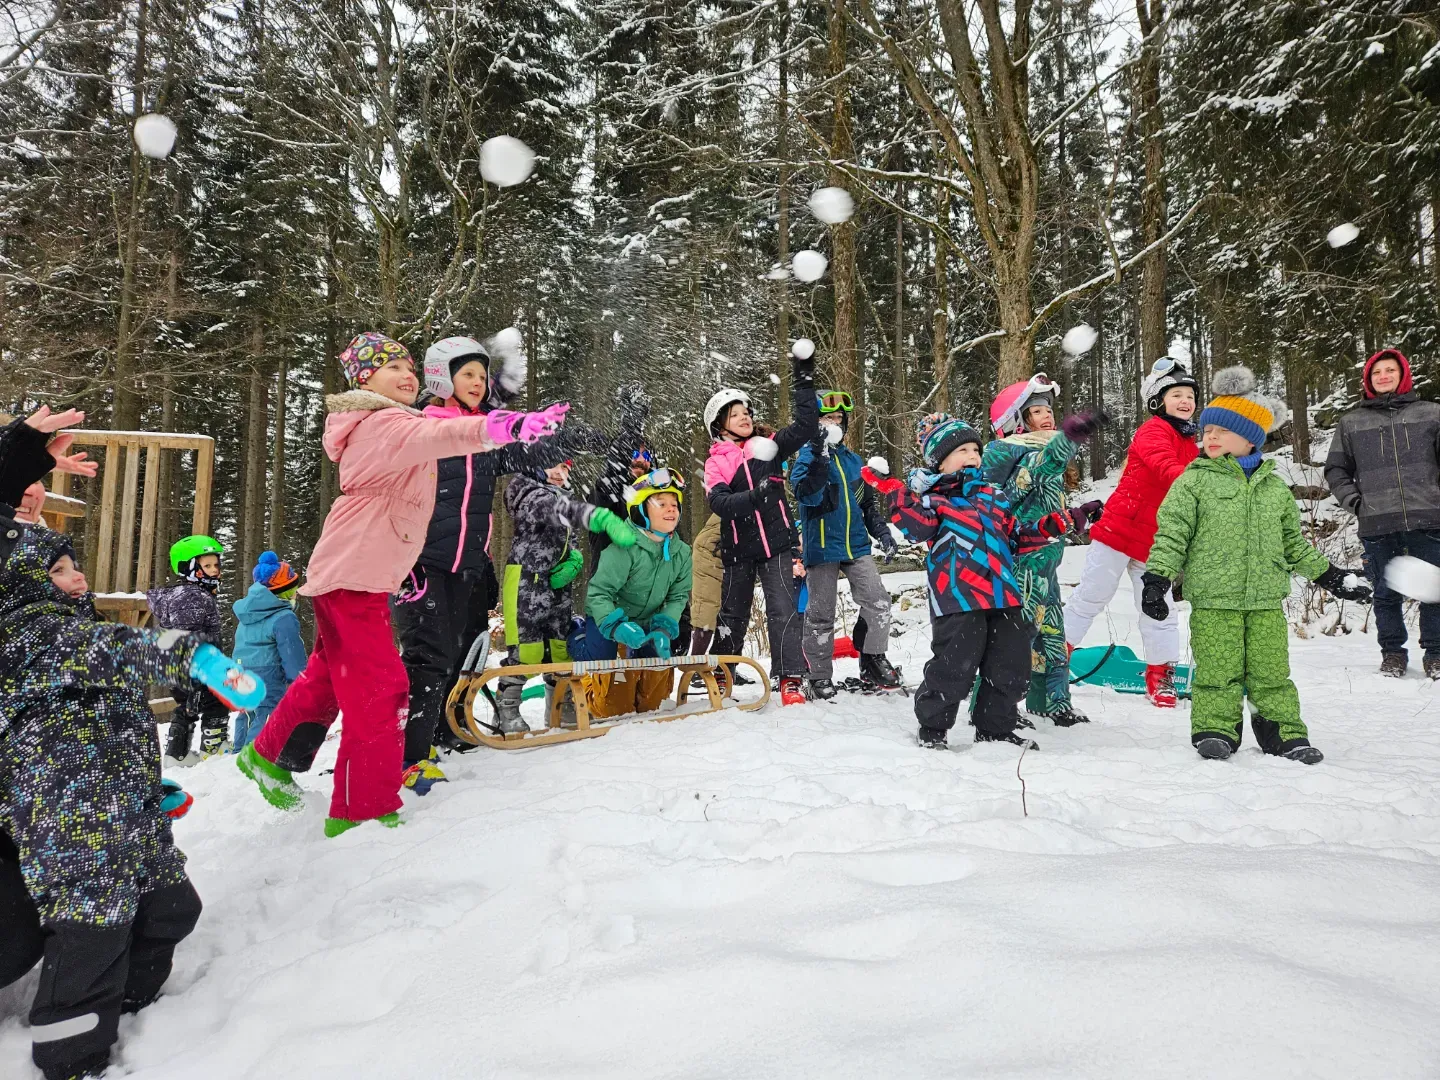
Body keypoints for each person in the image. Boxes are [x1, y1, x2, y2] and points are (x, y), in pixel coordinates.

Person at [235, 331, 567, 837]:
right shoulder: (384, 422)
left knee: (328, 677)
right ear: (365, 380)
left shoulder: (387, 422)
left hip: (360, 573)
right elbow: (446, 437)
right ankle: (362, 808)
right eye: (393, 369)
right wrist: (511, 423)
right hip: (354, 574)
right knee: (384, 689)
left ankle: (269, 756)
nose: (406, 375)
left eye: (409, 367)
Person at [0, 525, 261, 1080]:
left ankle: (127, 1006)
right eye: (61, 571)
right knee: (92, 930)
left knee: (173, 909)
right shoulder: (27, 632)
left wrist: (144, 786)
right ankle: (71, 1057)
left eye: (76, 566)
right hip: (73, 822)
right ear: (23, 584)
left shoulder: (73, 632)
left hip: (126, 809)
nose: (79, 577)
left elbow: (112, 719)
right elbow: (120, 650)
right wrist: (199, 660)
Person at [396, 335, 616, 764]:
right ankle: (410, 751)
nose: (478, 382)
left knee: (465, 649)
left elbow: (520, 451)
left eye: (482, 374)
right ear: (443, 377)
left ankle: (449, 728)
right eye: (468, 374)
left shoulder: (482, 435)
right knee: (428, 653)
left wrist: (574, 439)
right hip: (421, 562)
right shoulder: (422, 424)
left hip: (471, 563)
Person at [1143, 366, 1372, 763]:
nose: (1209, 437)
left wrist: (1334, 577)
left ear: (1249, 438)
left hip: (1266, 600)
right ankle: (1215, 728)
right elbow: (1171, 534)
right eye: (1207, 430)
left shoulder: (1274, 491)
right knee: (1218, 671)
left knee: (1271, 673)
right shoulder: (1193, 482)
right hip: (1215, 600)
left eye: (1220, 431)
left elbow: (1293, 547)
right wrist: (1156, 578)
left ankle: (1283, 732)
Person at [871, 414, 1081, 750]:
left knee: (1010, 666)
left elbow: (1016, 537)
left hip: (1003, 594)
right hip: (959, 597)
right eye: (962, 450)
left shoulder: (993, 497)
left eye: (975, 449)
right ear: (939, 461)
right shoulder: (934, 500)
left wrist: (1057, 523)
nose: (972, 455)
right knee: (954, 667)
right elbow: (915, 527)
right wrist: (897, 492)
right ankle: (933, 728)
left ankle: (994, 730)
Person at [1063, 356, 1200, 707]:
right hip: (1119, 530)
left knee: (1159, 607)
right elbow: (1162, 464)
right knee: (1093, 595)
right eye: (1177, 395)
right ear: (1158, 401)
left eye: (1190, 396)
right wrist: (1197, 483)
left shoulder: (1191, 441)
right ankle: (1054, 654)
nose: (1186, 401)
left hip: (1155, 540)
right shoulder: (1153, 430)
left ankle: (1160, 675)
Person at [982, 374, 1105, 726]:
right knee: (1013, 639)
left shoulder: (1048, 451)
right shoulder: (1006, 451)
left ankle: (1051, 701)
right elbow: (1018, 486)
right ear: (1015, 421)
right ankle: (994, 706)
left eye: (1048, 409)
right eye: (1036, 411)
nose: (1047, 416)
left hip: (1046, 563)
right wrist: (1071, 436)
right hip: (1017, 561)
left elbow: (1047, 499)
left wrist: (1077, 515)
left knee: (1052, 634)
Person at [704, 344, 820, 705]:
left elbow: (805, 425)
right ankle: (723, 676)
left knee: (783, 610)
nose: (744, 417)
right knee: (732, 614)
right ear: (719, 424)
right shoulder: (716, 463)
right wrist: (758, 496)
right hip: (738, 550)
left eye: (746, 411)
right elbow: (721, 503)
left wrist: (804, 376)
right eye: (735, 413)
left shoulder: (767, 447)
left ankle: (790, 679)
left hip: (778, 545)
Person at [489, 458, 636, 737]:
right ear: (534, 467)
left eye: (565, 468)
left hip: (557, 586)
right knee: (526, 648)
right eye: (552, 467)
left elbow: (568, 536)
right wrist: (596, 516)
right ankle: (507, 709)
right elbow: (553, 510)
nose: (559, 473)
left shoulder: (563, 499)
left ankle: (560, 705)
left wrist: (575, 558)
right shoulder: (527, 494)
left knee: (559, 645)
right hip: (526, 582)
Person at [1324, 348, 1440, 679]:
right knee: (1386, 593)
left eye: (1390, 370)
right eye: (1377, 373)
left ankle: (1436, 654)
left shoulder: (1431, 414)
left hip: (1430, 518)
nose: (1383, 376)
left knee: (1434, 590)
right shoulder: (1351, 422)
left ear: (1403, 375)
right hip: (1377, 522)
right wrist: (1356, 503)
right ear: (1368, 380)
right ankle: (1392, 653)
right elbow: (1336, 469)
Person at [789, 389, 902, 698]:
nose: (835, 423)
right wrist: (819, 459)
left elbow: (867, 505)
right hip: (822, 548)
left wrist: (883, 533)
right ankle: (819, 675)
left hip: (856, 546)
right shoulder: (805, 458)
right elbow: (805, 495)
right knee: (821, 614)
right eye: (828, 418)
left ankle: (872, 660)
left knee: (878, 601)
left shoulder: (854, 461)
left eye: (839, 418)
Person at [570, 469, 692, 717]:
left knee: (651, 704)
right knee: (611, 708)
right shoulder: (623, 548)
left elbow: (678, 596)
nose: (671, 509)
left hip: (648, 619)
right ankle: (576, 636)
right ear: (641, 511)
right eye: (661, 503)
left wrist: (664, 626)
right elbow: (599, 593)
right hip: (608, 616)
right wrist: (616, 626)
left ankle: (640, 662)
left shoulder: (682, 552)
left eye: (674, 504)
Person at [148, 533, 229, 762]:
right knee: (215, 700)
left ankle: (177, 754)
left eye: (216, 564)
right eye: (207, 565)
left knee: (188, 707)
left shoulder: (194, 594)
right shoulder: (192, 597)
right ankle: (214, 748)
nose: (214, 569)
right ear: (190, 568)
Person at [231, 551, 308, 753]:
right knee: (267, 710)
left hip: (240, 669)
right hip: (267, 671)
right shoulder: (283, 617)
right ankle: (257, 750)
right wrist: (298, 677)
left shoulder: (247, 611)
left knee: (248, 711)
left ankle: (239, 749)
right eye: (293, 589)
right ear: (281, 591)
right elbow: (291, 650)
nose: (296, 593)